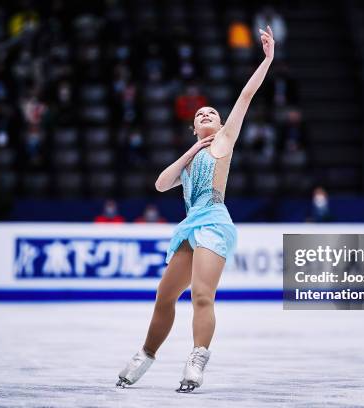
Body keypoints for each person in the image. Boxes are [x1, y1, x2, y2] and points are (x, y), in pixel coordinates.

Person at [116, 26, 276, 393]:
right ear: (193, 126)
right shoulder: (190, 158)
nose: (206, 113)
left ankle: (197, 357)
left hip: (215, 223)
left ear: (221, 124)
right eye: (200, 113)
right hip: (190, 226)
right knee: (164, 295)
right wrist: (193, 150)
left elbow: (246, 95)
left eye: (212, 112)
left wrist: (266, 59)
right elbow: (160, 183)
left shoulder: (225, 141)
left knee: (203, 295)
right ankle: (146, 354)